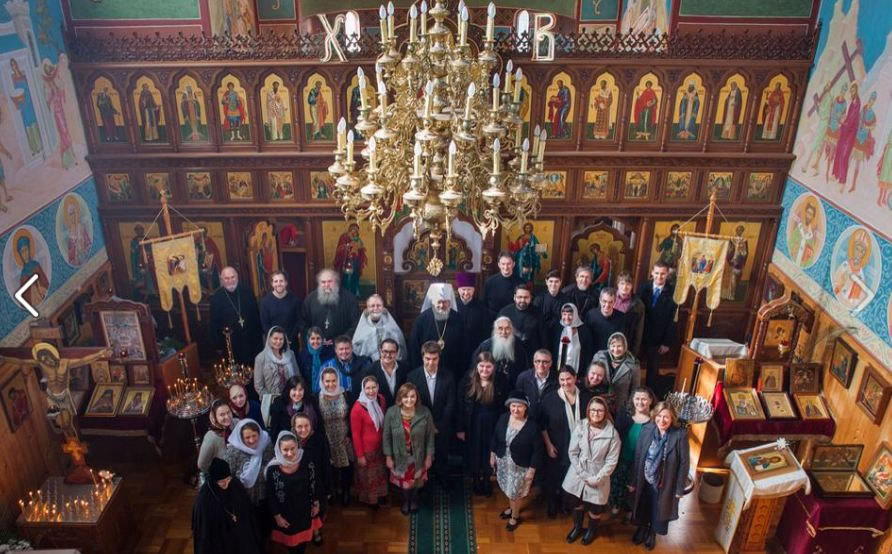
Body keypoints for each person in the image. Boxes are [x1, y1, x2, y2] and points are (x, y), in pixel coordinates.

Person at [629, 402, 690, 550]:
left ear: (672, 418)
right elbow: (638, 455)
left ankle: (652, 532)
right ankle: (642, 528)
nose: (662, 420)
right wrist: (633, 480)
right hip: (644, 478)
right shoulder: (647, 429)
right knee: (643, 505)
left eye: (666, 417)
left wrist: (679, 489)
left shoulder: (679, 435)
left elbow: (684, 463)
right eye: (659, 416)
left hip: (664, 482)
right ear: (654, 415)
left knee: (657, 509)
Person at [562, 396, 621, 545]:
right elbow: (572, 452)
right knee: (577, 502)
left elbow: (611, 461)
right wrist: (582, 473)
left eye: (600, 410)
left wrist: (596, 478)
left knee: (595, 508)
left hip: (599, 474)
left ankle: (591, 530)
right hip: (578, 472)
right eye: (593, 409)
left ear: (605, 412)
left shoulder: (613, 434)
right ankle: (577, 527)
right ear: (588, 410)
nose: (596, 413)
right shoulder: (581, 426)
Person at [538, 365, 592, 518]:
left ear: (575, 378)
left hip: (579, 447)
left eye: (569, 379)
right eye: (562, 379)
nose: (565, 382)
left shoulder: (586, 398)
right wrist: (548, 445)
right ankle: (552, 504)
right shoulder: (550, 399)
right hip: (557, 445)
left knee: (571, 476)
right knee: (554, 476)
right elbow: (542, 425)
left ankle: (566, 503)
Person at [490, 390, 543, 532]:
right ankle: (511, 508)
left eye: (519, 406)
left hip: (520, 466)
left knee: (515, 493)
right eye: (513, 406)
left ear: (526, 407)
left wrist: (532, 470)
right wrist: (492, 454)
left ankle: (515, 516)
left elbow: (537, 451)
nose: (516, 409)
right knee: (509, 490)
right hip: (504, 462)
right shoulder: (503, 418)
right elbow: (495, 437)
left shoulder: (532, 427)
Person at [407, 341, 457, 489]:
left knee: (442, 453)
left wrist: (438, 426)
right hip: (421, 425)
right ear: (422, 357)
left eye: (434, 359)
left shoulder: (448, 376)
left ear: (439, 358)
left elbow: (450, 404)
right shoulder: (412, 376)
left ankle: (442, 478)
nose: (431, 362)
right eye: (427, 358)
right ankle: (424, 483)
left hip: (442, 425)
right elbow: (411, 404)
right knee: (422, 455)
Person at [458, 352, 508, 496]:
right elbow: (460, 406)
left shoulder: (501, 381)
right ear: (476, 366)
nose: (484, 370)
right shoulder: (467, 380)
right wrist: (460, 428)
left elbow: (504, 407)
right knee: (474, 452)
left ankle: (486, 479)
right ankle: (475, 480)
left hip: (492, 424)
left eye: (488, 366)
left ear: (493, 367)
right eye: (481, 366)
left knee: (488, 452)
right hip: (472, 423)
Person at [382, 383, 436, 515]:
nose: (409, 400)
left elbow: (430, 436)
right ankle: (406, 500)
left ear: (417, 397)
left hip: (419, 456)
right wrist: (388, 456)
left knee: (417, 481)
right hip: (399, 456)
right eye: (405, 397)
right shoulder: (391, 412)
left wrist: (429, 456)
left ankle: (415, 498)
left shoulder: (425, 412)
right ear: (400, 398)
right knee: (404, 482)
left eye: (412, 396)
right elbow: (386, 436)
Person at [266, 431, 322, 554]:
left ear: (298, 447)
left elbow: (313, 482)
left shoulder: (306, 461)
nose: (290, 453)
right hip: (286, 514)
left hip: (305, 511)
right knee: (291, 545)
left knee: (303, 542)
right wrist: (277, 516)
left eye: (293, 448)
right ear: (279, 449)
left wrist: (316, 503)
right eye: (285, 450)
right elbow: (270, 495)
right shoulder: (272, 469)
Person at [192, 458, 263, 554]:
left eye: (228, 479)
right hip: (219, 539)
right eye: (222, 482)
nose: (226, 484)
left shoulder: (235, 484)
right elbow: (204, 531)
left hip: (239, 536)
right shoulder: (204, 499)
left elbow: (247, 510)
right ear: (214, 480)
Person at [611, 387, 655, 517]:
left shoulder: (654, 421)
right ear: (632, 400)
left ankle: (630, 509)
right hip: (622, 458)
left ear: (651, 400)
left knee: (634, 488)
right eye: (637, 398)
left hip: (640, 462)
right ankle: (616, 505)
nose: (640, 402)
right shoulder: (625, 416)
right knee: (618, 484)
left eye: (644, 399)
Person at [317, 367, 355, 505]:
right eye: (327, 381)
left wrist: (350, 435)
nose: (331, 384)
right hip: (327, 439)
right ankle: (333, 492)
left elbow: (352, 416)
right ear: (322, 381)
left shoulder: (346, 394)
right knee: (330, 468)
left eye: (334, 381)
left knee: (347, 467)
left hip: (344, 438)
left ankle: (346, 492)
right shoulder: (316, 397)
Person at [210, 266, 263, 366]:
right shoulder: (217, 298)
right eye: (227, 278)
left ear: (237, 277)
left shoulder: (247, 291)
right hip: (230, 343)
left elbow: (256, 316)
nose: (230, 281)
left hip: (250, 339)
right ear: (222, 280)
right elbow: (214, 324)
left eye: (232, 277)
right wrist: (218, 345)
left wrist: (259, 337)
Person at [350, 375, 389, 509]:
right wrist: (360, 455)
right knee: (368, 478)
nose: (371, 391)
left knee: (380, 474)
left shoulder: (381, 399)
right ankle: (371, 501)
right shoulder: (357, 408)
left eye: (373, 387)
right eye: (367, 388)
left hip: (380, 447)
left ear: (378, 387)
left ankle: (381, 495)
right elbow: (355, 435)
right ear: (363, 389)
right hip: (366, 450)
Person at [638, 262, 677, 392]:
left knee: (653, 370)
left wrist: (667, 342)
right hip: (641, 334)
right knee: (634, 364)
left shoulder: (673, 292)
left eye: (662, 274)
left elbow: (673, 320)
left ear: (667, 274)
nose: (659, 277)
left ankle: (650, 394)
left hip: (658, 337)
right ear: (652, 272)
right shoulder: (643, 287)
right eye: (657, 273)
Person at [408, 283, 464, 373]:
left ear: (450, 302)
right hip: (426, 370)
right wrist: (419, 372)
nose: (442, 305)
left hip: (452, 370)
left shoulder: (458, 319)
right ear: (432, 301)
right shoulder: (421, 320)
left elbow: (464, 349)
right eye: (439, 302)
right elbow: (414, 349)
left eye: (445, 302)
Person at [291, 413, 329, 546]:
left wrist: (328, 487)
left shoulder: (318, 439)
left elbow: (325, 464)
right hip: (298, 483)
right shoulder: (289, 440)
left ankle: (316, 532)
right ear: (294, 427)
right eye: (299, 426)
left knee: (317, 510)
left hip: (316, 482)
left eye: (306, 426)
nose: (303, 430)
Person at [301, 269, 361, 342]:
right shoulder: (310, 300)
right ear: (319, 284)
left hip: (342, 345)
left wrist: (342, 340)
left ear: (336, 282)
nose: (326, 285)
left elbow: (356, 324)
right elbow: (303, 323)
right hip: (317, 345)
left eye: (330, 281)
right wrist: (315, 339)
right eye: (323, 282)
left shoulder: (350, 299)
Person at [223, 419, 273, 506]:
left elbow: (271, 468)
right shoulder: (233, 452)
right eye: (247, 437)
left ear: (259, 434)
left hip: (264, 496)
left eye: (254, 436)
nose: (251, 440)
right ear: (241, 438)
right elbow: (227, 475)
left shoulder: (266, 444)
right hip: (242, 498)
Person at [470, 317, 530, 386]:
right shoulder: (485, 346)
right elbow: (474, 368)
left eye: (507, 328)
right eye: (500, 328)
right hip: (491, 386)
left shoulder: (519, 346)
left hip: (513, 386)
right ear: (495, 330)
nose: (504, 332)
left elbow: (526, 369)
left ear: (511, 330)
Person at [592, 332, 641, 415]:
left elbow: (635, 390)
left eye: (619, 346)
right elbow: (591, 378)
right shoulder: (599, 357)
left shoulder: (633, 365)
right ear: (609, 346)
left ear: (625, 346)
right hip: (600, 405)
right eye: (613, 346)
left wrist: (629, 409)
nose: (616, 349)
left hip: (621, 408)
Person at [352, 294, 406, 361]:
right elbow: (356, 351)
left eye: (378, 305)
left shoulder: (392, 326)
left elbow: (400, 350)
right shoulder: (361, 327)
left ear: (383, 307)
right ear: (367, 308)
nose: (375, 308)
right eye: (372, 306)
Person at [498, 285, 546, 362]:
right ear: (514, 297)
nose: (522, 300)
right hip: (509, 355)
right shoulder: (504, 312)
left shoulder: (538, 314)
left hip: (531, 356)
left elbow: (544, 338)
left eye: (526, 297)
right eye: (519, 297)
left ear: (531, 298)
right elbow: (497, 336)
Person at [254, 326, 298, 407]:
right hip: (272, 402)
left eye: (281, 339)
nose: (278, 341)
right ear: (269, 339)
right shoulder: (261, 358)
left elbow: (297, 376)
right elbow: (258, 386)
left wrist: (296, 393)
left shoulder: (290, 354)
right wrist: (273, 400)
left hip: (293, 398)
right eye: (275, 338)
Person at [455, 272, 493, 364]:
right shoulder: (452, 306)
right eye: (463, 289)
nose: (466, 293)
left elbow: (487, 331)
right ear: (458, 290)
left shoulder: (482, 307)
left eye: (469, 289)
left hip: (475, 349)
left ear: (474, 290)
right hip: (455, 348)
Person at [269, 376, 319, 441]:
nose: (297, 393)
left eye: (300, 389)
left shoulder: (311, 401)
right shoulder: (278, 405)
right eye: (294, 389)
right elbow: (274, 431)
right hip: (288, 444)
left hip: (311, 441)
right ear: (288, 390)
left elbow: (319, 427)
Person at [550, 303, 594, 376]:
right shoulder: (557, 328)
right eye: (564, 314)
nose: (566, 317)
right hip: (557, 372)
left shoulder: (584, 331)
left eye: (570, 314)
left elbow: (588, 354)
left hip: (578, 373)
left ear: (576, 315)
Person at [364, 338, 409, 407]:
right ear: (380, 351)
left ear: (397, 353)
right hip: (379, 409)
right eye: (385, 351)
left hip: (400, 408)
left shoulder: (405, 368)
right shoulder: (370, 370)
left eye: (392, 352)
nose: (388, 355)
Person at [259, 271, 302, 340]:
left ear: (286, 283)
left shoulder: (295, 300)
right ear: (272, 284)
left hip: (291, 341)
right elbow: (265, 324)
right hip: (273, 341)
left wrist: (290, 338)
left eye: (281, 281)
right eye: (276, 281)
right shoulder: (265, 302)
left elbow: (298, 321)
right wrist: (275, 339)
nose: (278, 284)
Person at [514, 349, 557, 418]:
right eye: (538, 361)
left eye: (545, 362)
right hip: (528, 418)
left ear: (550, 363)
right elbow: (518, 400)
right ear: (533, 362)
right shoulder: (523, 377)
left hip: (549, 418)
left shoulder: (557, 379)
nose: (541, 365)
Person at [198, 400, 234, 476]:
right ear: (214, 418)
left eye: (228, 412)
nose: (227, 416)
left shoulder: (236, 424)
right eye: (222, 414)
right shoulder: (211, 437)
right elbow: (202, 465)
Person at [585, 287, 627, 352]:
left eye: (610, 302)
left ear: (614, 302)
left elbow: (622, 342)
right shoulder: (590, 315)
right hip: (592, 354)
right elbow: (586, 339)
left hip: (612, 354)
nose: (607, 305)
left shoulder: (622, 318)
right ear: (600, 300)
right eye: (604, 301)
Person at [614, 272, 645, 356]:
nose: (625, 287)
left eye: (628, 284)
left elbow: (638, 331)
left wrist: (633, 353)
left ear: (632, 286)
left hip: (625, 345)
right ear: (617, 284)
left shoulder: (638, 305)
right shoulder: (609, 297)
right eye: (622, 283)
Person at [483, 252, 521, 317]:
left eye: (509, 264)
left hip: (512, 318)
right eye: (503, 264)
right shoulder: (489, 282)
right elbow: (484, 303)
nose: (506, 267)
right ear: (499, 265)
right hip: (492, 318)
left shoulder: (520, 282)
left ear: (514, 264)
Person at [296, 327, 333, 391]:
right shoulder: (302, 356)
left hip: (326, 390)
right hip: (307, 390)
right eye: (312, 338)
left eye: (318, 338)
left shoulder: (329, 354)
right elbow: (300, 376)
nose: (315, 341)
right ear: (308, 340)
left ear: (322, 339)